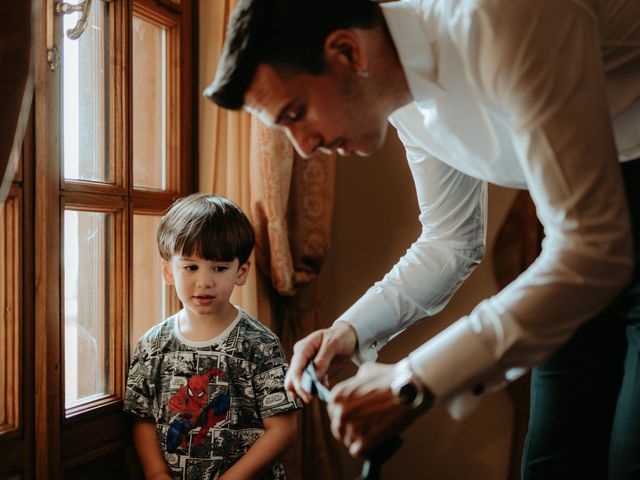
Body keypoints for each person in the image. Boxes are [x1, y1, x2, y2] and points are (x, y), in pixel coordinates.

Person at [205, 1, 640, 478]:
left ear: (347, 51)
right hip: (574, 229)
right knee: (551, 465)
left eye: (296, 113)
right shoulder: (402, 98)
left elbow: (595, 247)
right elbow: (451, 240)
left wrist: (414, 383)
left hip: (593, 228)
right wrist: (350, 331)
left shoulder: (497, 18)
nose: (304, 146)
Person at [124, 193, 300, 480]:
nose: (204, 281)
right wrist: (156, 473)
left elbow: (282, 429)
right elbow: (142, 417)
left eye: (219, 268)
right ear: (169, 271)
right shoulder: (151, 345)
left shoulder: (260, 344)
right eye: (191, 267)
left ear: (241, 272)